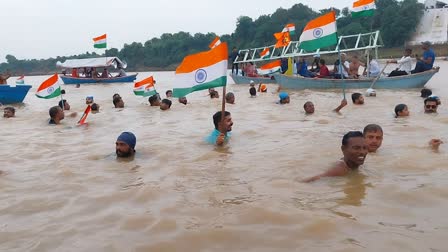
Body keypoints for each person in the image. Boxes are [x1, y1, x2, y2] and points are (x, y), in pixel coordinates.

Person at [303, 131, 368, 182]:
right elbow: (312, 180)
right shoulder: (340, 170)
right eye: (356, 148)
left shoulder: (353, 163)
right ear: (343, 149)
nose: (362, 152)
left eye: (365, 148)